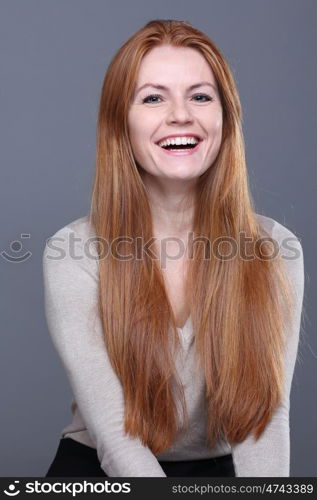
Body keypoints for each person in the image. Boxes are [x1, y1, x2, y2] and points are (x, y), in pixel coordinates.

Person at [43, 19, 305, 477]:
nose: (180, 114)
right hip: (104, 469)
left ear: (226, 116)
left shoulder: (276, 248)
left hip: (220, 472)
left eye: (200, 96)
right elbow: (117, 439)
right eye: (153, 97)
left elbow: (264, 421)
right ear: (120, 123)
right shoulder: (74, 251)